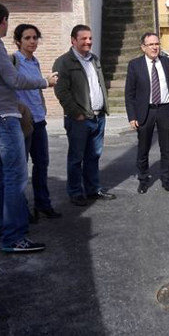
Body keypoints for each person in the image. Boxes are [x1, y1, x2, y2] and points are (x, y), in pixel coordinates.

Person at [0, 2, 57, 253]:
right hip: (4, 118)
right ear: (4, 20)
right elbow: (14, 79)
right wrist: (45, 83)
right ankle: (14, 237)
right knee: (15, 177)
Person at [53, 25, 116, 206]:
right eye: (84, 39)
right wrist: (76, 113)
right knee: (76, 158)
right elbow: (62, 92)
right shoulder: (63, 62)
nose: (88, 42)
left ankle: (92, 189)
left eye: (90, 38)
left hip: (98, 117)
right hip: (79, 119)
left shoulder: (94, 59)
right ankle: (75, 192)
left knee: (94, 156)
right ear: (73, 40)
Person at [12, 24, 62, 220]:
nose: (32, 41)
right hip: (23, 121)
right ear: (18, 41)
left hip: (39, 120)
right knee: (20, 168)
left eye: (35, 38)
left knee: (42, 164)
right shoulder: (13, 61)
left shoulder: (35, 62)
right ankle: (23, 210)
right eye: (27, 38)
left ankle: (43, 204)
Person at [124, 32, 169, 193]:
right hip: (145, 111)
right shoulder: (135, 65)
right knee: (143, 148)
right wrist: (132, 116)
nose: (155, 47)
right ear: (143, 47)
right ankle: (143, 180)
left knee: (166, 148)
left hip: (165, 109)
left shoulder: (168, 63)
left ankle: (166, 179)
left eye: (157, 44)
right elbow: (129, 93)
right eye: (151, 44)